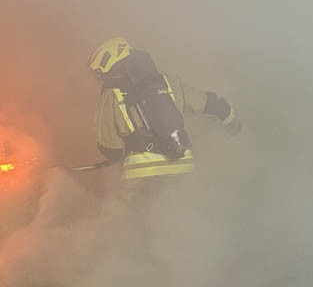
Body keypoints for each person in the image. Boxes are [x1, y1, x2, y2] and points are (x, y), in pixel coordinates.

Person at [89, 37, 241, 197]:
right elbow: (208, 103)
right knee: (183, 211)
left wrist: (126, 151)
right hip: (182, 167)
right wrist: (231, 122)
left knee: (126, 217)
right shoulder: (170, 82)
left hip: (140, 175)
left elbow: (109, 146)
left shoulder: (110, 95)